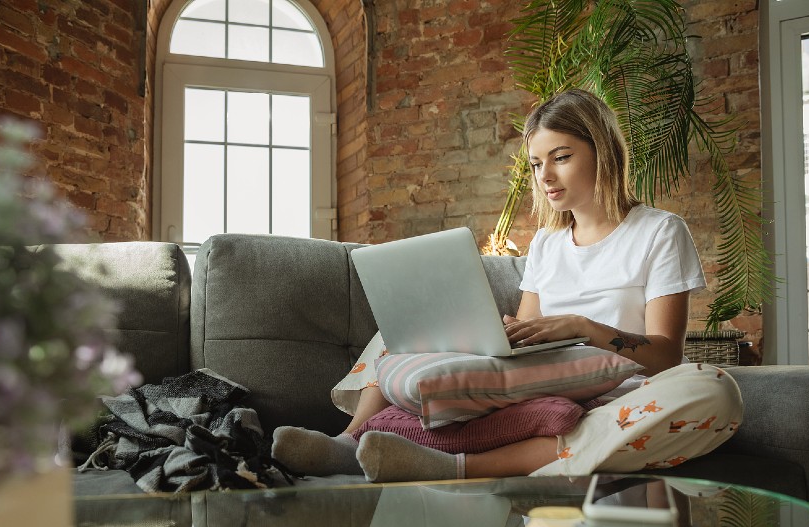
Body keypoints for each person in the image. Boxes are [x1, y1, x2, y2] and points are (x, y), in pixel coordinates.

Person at [272, 88, 743, 482]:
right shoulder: (546, 243)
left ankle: (455, 466)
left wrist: (581, 326)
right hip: (538, 383)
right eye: (537, 164)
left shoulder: (660, 231)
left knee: (715, 388)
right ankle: (346, 444)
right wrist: (502, 332)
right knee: (399, 334)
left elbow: (666, 357)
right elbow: (530, 332)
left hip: (621, 392)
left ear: (604, 152)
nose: (546, 177)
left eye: (561, 157)